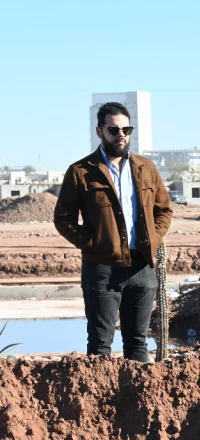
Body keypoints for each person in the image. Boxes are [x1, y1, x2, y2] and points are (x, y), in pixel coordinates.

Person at [54, 101, 173, 361]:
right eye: (113, 129)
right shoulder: (81, 172)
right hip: (102, 270)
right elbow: (63, 218)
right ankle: (102, 401)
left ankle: (137, 400)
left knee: (138, 343)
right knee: (100, 344)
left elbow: (163, 211)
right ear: (100, 132)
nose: (121, 135)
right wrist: (92, 243)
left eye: (126, 129)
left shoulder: (146, 169)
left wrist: (153, 237)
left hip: (142, 268)